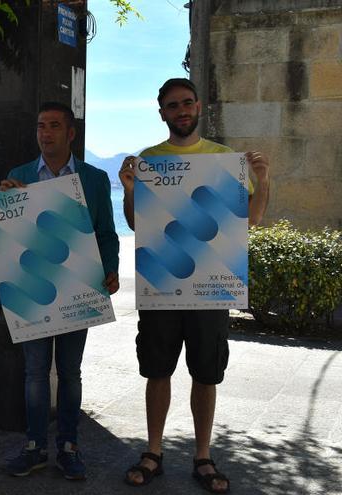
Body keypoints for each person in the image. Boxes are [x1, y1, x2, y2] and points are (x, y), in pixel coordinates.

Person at [119, 78, 270, 494]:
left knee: (206, 374)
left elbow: (250, 219)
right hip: (163, 285)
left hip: (209, 290)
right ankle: (154, 451)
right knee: (157, 371)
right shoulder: (149, 160)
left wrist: (263, 177)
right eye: (173, 105)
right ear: (162, 112)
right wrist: (130, 192)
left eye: (187, 103)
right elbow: (135, 222)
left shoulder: (224, 160)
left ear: (199, 106)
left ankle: (203, 455)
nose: (181, 110)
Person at [0, 101, 120, 480]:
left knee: (70, 372)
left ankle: (69, 446)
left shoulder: (95, 178)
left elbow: (105, 232)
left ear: (71, 133)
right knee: (34, 372)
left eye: (54, 125)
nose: (45, 132)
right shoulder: (18, 175)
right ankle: (35, 446)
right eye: (40, 126)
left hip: (77, 287)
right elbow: (7, 237)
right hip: (33, 289)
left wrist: (111, 269)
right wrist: (5, 201)